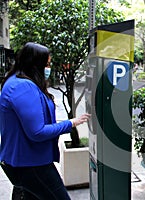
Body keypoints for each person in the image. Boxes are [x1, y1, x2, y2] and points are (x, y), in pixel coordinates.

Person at [0, 42, 90, 200]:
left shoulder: (16, 81)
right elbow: (37, 132)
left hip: (23, 162)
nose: (48, 68)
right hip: (31, 164)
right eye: (46, 64)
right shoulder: (23, 87)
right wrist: (70, 123)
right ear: (35, 64)